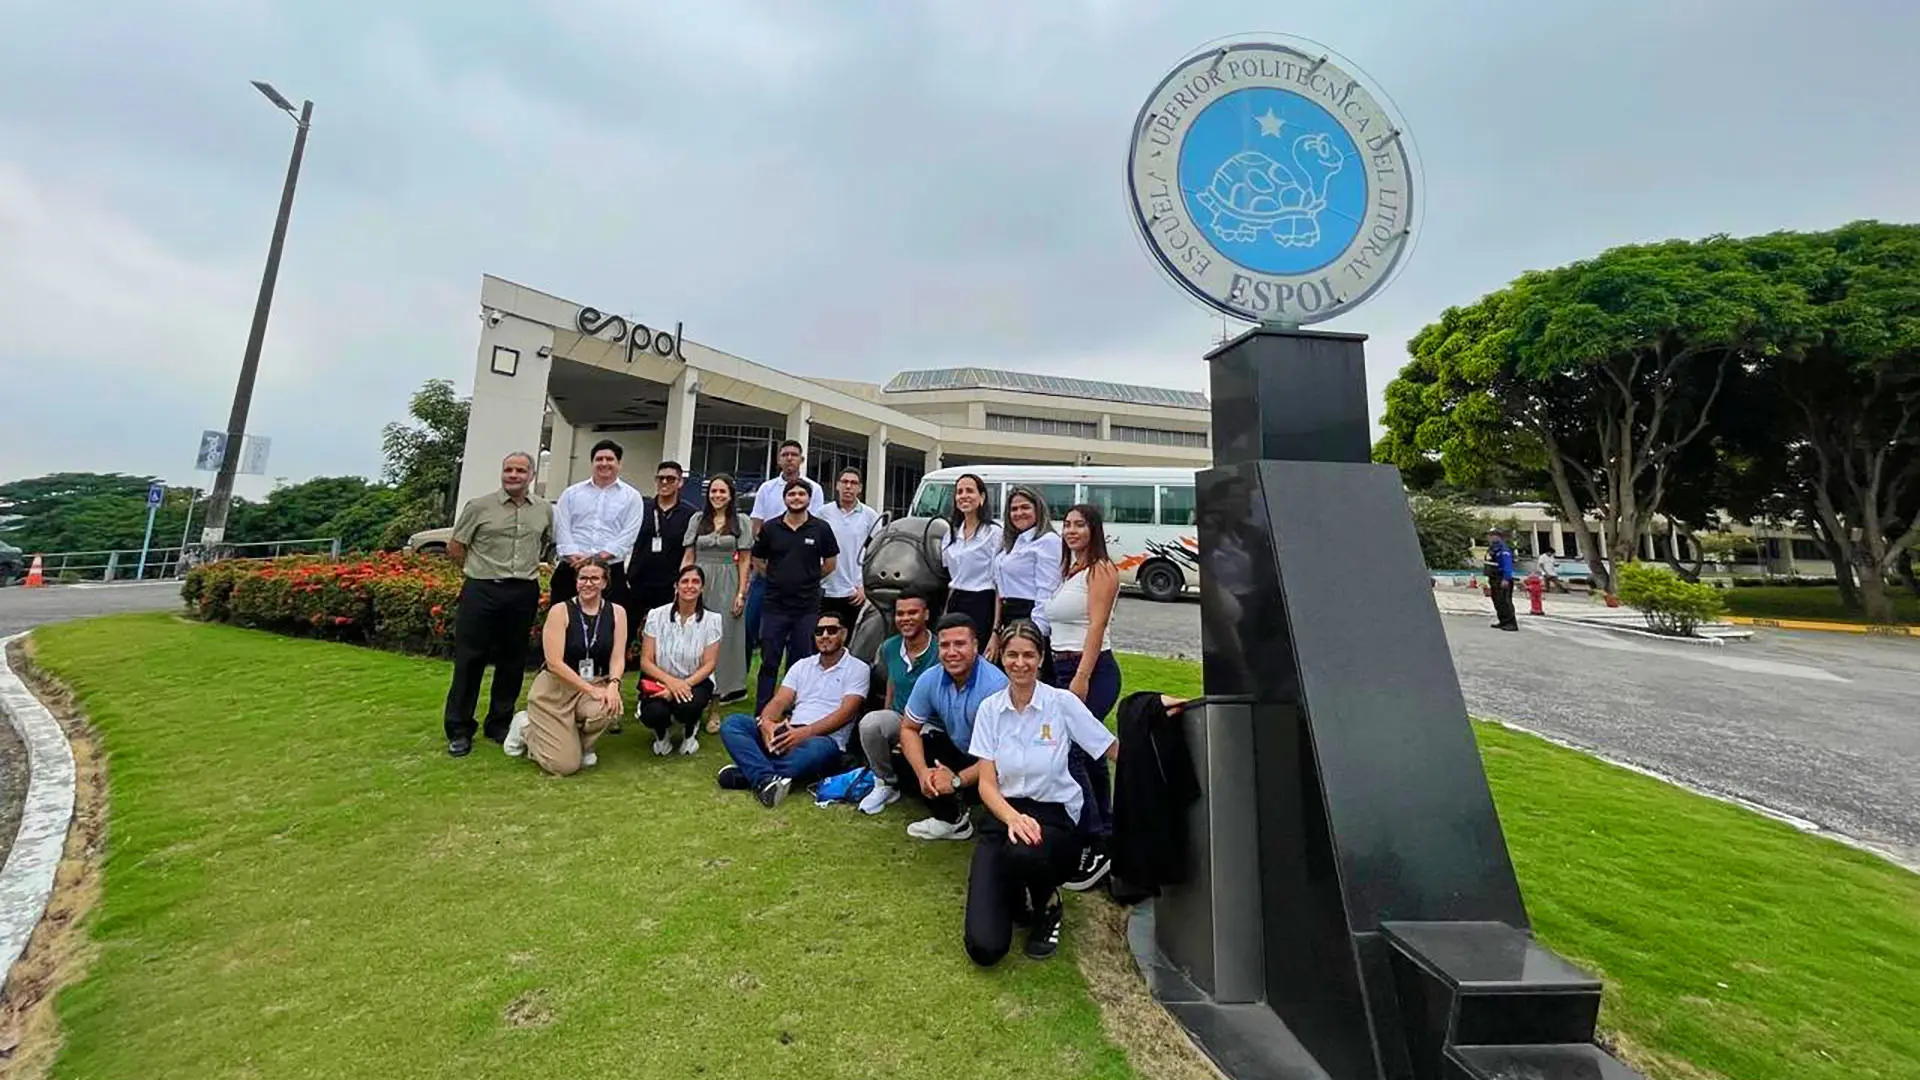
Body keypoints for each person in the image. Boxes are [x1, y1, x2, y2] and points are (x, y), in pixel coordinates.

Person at [964, 623, 1158, 965]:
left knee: (1024, 851)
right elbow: (986, 784)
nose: (1020, 663)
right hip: (1003, 813)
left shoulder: (1061, 702)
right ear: (1002, 659)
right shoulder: (989, 710)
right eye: (1012, 654)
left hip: (1053, 816)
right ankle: (1017, 896)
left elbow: (1110, 748)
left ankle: (1048, 904)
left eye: (1028, 655)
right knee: (984, 948)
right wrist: (1011, 817)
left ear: (1040, 659)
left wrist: (1154, 733)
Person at [442, 452, 553, 757]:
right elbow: (456, 546)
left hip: (522, 592)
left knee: (512, 660)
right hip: (482, 589)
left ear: (531, 475)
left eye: (520, 470)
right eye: (508, 469)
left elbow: (548, 542)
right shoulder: (479, 506)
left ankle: (499, 723)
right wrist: (478, 571)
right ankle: (459, 728)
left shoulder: (544, 510)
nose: (513, 475)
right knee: (469, 660)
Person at [717, 608, 870, 807]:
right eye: (819, 631)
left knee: (817, 750)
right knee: (733, 723)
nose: (824, 636)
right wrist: (768, 724)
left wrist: (805, 733)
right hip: (787, 732)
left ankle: (749, 772)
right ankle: (766, 779)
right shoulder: (802, 666)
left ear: (844, 633)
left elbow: (846, 713)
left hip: (822, 740)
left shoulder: (858, 668)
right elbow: (780, 701)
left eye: (831, 630)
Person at [1045, 502, 1123, 891]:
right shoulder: (1069, 571)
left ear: (1095, 529)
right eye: (1068, 525)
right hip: (1062, 666)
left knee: (1073, 748)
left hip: (1091, 670)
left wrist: (1082, 677)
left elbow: (1097, 626)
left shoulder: (1101, 570)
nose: (1072, 530)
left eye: (1080, 525)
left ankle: (1093, 840)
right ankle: (1105, 831)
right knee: (1089, 753)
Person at [503, 558, 627, 776]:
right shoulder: (560, 611)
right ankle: (525, 729)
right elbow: (554, 662)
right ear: (576, 581)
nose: (588, 583)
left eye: (595, 578)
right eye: (583, 578)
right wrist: (591, 690)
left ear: (605, 583)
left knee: (610, 706)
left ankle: (583, 745)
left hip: (595, 681)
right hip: (556, 688)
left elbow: (617, 657)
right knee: (564, 767)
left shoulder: (617, 612)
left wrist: (613, 685)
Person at [894, 613, 1009, 841]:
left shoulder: (995, 686)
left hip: (996, 765)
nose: (952, 652)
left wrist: (956, 780)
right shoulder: (930, 678)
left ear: (975, 646)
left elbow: (1001, 754)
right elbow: (908, 728)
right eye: (945, 645)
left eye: (960, 644)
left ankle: (971, 802)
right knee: (902, 753)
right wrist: (923, 773)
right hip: (963, 751)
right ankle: (951, 818)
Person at [750, 478, 840, 713]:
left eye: (801, 494)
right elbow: (757, 559)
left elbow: (830, 563)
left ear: (809, 499)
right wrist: (775, 576)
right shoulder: (770, 528)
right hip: (775, 605)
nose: (796, 498)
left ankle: (795, 711)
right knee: (769, 660)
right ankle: (763, 711)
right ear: (785, 498)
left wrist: (808, 577)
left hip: (807, 606)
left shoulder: (821, 528)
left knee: (801, 661)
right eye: (792, 494)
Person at [852, 587, 940, 814]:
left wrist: (909, 733)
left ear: (926, 614)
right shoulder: (889, 647)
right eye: (901, 614)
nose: (906, 619)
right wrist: (891, 720)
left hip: (933, 723)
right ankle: (885, 782)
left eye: (913, 613)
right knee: (872, 723)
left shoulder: (941, 649)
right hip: (902, 717)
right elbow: (892, 683)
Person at [746, 439, 826, 655]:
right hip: (767, 572)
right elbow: (756, 526)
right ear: (779, 460)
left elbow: (815, 527)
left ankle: (796, 685)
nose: (789, 458)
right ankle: (738, 686)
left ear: (802, 459)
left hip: (802, 574)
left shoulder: (814, 489)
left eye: (794, 454)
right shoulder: (767, 488)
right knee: (750, 626)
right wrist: (767, 563)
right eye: (785, 454)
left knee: (801, 639)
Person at [682, 472, 753, 714]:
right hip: (698, 578)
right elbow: (689, 554)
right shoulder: (697, 519)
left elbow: (745, 560)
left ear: (731, 495)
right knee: (694, 632)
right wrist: (681, 583)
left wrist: (741, 592)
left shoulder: (741, 521)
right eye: (714, 491)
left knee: (724, 635)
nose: (717, 496)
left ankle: (725, 688)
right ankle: (693, 684)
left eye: (722, 491)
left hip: (727, 580)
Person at [637, 564, 723, 755]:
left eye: (695, 582)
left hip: (695, 681)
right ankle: (662, 734)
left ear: (702, 588)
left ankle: (690, 732)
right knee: (653, 713)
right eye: (685, 581)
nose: (689, 586)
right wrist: (671, 684)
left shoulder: (713, 620)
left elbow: (709, 664)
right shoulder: (655, 616)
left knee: (687, 707)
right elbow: (645, 661)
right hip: (659, 680)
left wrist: (681, 686)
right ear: (676, 586)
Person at [551, 440, 645, 610]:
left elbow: (628, 535)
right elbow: (562, 528)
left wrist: (597, 559)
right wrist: (575, 558)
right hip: (571, 569)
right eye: (599, 459)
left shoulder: (632, 497)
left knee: (608, 624)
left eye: (610, 459)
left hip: (610, 571)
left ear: (619, 463)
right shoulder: (571, 493)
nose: (604, 463)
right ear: (592, 462)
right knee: (562, 621)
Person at [990, 485, 1063, 668]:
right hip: (1008, 616)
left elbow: (1047, 590)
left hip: (1029, 615)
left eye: (1025, 507)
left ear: (1038, 509)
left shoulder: (1048, 542)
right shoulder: (1011, 542)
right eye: (1014, 509)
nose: (1019, 513)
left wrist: (1035, 632)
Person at [627, 460, 699, 623]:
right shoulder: (641, 508)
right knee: (630, 632)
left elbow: (690, 552)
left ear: (680, 482)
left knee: (666, 633)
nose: (665, 482)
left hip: (670, 585)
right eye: (661, 478)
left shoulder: (690, 514)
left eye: (671, 479)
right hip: (639, 582)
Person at [818, 466, 881, 628]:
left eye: (853, 483)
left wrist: (865, 588)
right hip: (826, 589)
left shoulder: (870, 516)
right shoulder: (823, 513)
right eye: (844, 482)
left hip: (855, 593)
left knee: (852, 643)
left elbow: (877, 555)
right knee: (825, 639)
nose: (848, 486)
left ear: (860, 488)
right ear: (837, 485)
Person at [941, 473, 1001, 644]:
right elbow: (952, 581)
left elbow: (998, 586)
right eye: (959, 492)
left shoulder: (993, 533)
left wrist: (996, 630)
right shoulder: (950, 535)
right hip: (956, 603)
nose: (964, 496)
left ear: (981, 497)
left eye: (969, 491)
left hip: (982, 603)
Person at [1486, 528, 1519, 631]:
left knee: (1505, 601)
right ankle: (1503, 621)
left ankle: (1511, 623)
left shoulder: (1503, 549)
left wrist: (1506, 578)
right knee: (1498, 601)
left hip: (1502, 578)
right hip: (1494, 578)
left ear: (1497, 536)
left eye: (1491, 535)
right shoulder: (1493, 549)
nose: (1489, 538)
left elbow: (1507, 565)